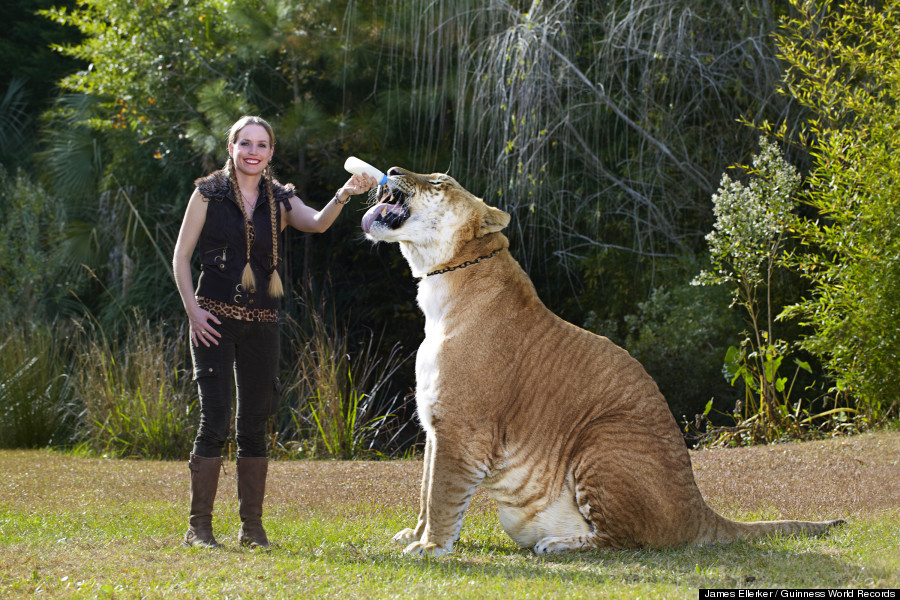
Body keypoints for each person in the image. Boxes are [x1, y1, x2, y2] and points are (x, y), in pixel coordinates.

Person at [172, 115, 376, 548]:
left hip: (263, 323)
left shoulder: (280, 200)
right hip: (212, 322)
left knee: (255, 423)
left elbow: (318, 223)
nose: (253, 151)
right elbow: (181, 256)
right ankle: (200, 528)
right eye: (245, 143)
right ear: (231, 148)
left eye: (261, 145)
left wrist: (344, 194)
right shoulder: (207, 193)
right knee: (215, 419)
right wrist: (193, 311)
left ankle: (252, 529)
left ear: (270, 153)